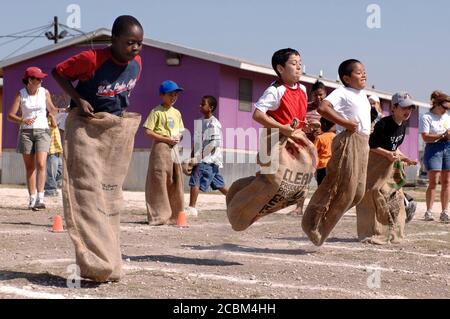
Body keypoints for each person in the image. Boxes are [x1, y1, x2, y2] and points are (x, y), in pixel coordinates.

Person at [52, 15, 144, 282]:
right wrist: (78, 99)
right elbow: (59, 72)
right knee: (88, 192)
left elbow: (122, 94)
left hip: (112, 133)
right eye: (129, 42)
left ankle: (108, 256)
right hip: (85, 129)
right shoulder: (91, 59)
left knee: (110, 196)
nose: (135, 48)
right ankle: (93, 259)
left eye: (139, 43)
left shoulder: (136, 64)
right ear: (114, 40)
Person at [302, 59, 371, 246]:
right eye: (359, 72)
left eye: (364, 71)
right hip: (349, 140)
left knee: (357, 193)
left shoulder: (362, 94)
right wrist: (345, 123)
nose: (364, 74)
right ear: (346, 78)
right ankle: (313, 225)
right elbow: (322, 108)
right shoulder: (343, 92)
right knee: (340, 187)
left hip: (363, 142)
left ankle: (319, 226)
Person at [356, 92, 418, 244]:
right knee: (373, 196)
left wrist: (405, 158)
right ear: (394, 107)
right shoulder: (383, 124)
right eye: (404, 107)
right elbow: (372, 145)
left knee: (394, 195)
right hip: (374, 166)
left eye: (410, 107)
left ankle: (395, 231)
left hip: (389, 166)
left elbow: (394, 147)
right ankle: (372, 232)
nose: (407, 111)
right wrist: (388, 154)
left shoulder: (403, 126)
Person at [7, 66, 58, 210]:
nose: (41, 80)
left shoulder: (44, 92)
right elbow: (10, 115)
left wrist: (52, 115)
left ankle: (41, 199)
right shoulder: (21, 94)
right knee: (30, 167)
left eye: (42, 78)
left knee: (41, 164)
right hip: (26, 133)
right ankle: (32, 198)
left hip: (43, 131)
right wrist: (22, 120)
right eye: (38, 78)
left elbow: (52, 109)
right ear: (30, 80)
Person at [144, 80, 185, 226]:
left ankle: (175, 216)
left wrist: (179, 138)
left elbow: (181, 130)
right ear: (162, 95)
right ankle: (159, 216)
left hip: (174, 149)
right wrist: (164, 138)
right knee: (158, 181)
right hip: (160, 148)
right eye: (170, 94)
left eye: (176, 95)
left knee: (175, 181)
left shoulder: (177, 113)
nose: (174, 97)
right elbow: (148, 131)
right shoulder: (156, 112)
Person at [186, 95, 228, 217]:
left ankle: (192, 208)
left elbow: (214, 144)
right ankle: (239, 200)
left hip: (209, 160)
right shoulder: (200, 122)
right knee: (220, 185)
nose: (200, 105)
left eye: (203, 103)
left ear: (211, 108)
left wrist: (199, 158)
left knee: (196, 179)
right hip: (203, 159)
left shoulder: (214, 124)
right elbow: (197, 142)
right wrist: (191, 158)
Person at [419, 90, 450, 223]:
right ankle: (429, 211)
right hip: (434, 149)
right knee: (433, 182)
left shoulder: (447, 117)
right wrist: (443, 135)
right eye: (445, 107)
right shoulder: (427, 117)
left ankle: (445, 212)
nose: (446, 110)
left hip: (448, 148)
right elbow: (425, 137)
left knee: (447, 182)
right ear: (437, 104)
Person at [44, 112, 64, 196]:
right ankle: (50, 190)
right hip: (50, 150)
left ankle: (52, 187)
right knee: (51, 172)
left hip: (56, 150)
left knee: (60, 170)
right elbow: (54, 125)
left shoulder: (52, 118)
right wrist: (52, 116)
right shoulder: (46, 120)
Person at [314, 117, 336, 186]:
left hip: (321, 166)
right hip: (332, 165)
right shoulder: (335, 136)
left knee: (320, 186)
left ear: (323, 125)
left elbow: (313, 152)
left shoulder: (320, 138)